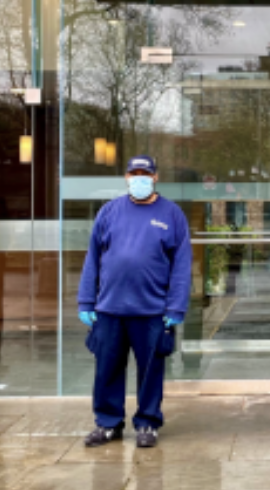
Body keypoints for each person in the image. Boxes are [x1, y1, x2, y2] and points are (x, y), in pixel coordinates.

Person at [78, 155, 192, 449]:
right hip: (109, 309)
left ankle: (147, 423)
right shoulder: (109, 212)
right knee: (107, 369)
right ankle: (107, 423)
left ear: (155, 177)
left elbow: (181, 265)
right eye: (134, 173)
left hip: (153, 311)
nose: (139, 178)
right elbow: (93, 258)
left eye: (145, 173)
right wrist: (86, 302)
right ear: (126, 177)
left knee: (150, 370)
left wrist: (176, 307)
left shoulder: (172, 214)